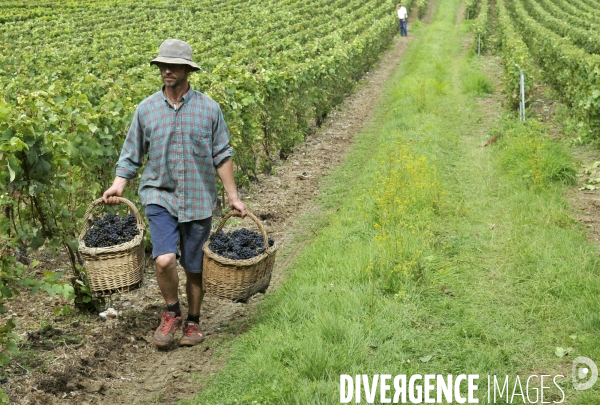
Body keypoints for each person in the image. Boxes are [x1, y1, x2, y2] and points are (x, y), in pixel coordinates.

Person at [102, 38, 247, 348]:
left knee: (195, 267)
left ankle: (193, 321)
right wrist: (119, 184)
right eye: (162, 65)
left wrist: (233, 196)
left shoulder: (209, 109)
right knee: (165, 260)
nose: (166, 70)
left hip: (198, 199)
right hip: (159, 196)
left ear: (187, 70)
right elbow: (131, 154)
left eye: (173, 65)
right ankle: (172, 312)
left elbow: (221, 155)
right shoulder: (147, 109)